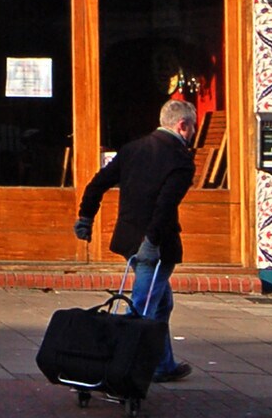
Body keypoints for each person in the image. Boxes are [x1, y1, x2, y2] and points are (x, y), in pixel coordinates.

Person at [73, 95, 197, 384]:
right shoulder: (180, 160)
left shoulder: (133, 149)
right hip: (154, 246)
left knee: (161, 303)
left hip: (128, 239)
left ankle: (163, 364)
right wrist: (152, 242)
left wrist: (86, 217)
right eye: (192, 127)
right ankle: (120, 368)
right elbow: (164, 206)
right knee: (142, 309)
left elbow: (97, 183)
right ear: (182, 125)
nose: (193, 132)